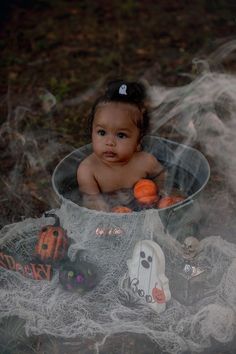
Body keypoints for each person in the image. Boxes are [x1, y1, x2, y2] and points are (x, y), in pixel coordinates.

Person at [77, 79, 166, 211]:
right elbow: (92, 201)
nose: (110, 142)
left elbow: (162, 176)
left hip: (144, 207)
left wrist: (160, 194)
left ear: (138, 141)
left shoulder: (146, 161)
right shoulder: (88, 170)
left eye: (121, 135)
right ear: (92, 132)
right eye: (102, 132)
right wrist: (108, 213)